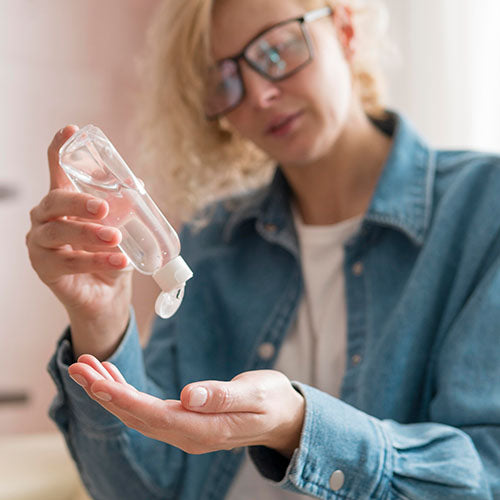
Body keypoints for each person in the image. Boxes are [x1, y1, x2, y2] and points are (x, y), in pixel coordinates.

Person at [25, 0, 500, 498]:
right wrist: (100, 321)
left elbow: (485, 474)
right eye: (224, 79)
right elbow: (139, 490)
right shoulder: (215, 238)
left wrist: (300, 427)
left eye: (276, 52)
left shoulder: (482, 210)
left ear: (345, 30)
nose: (260, 93)